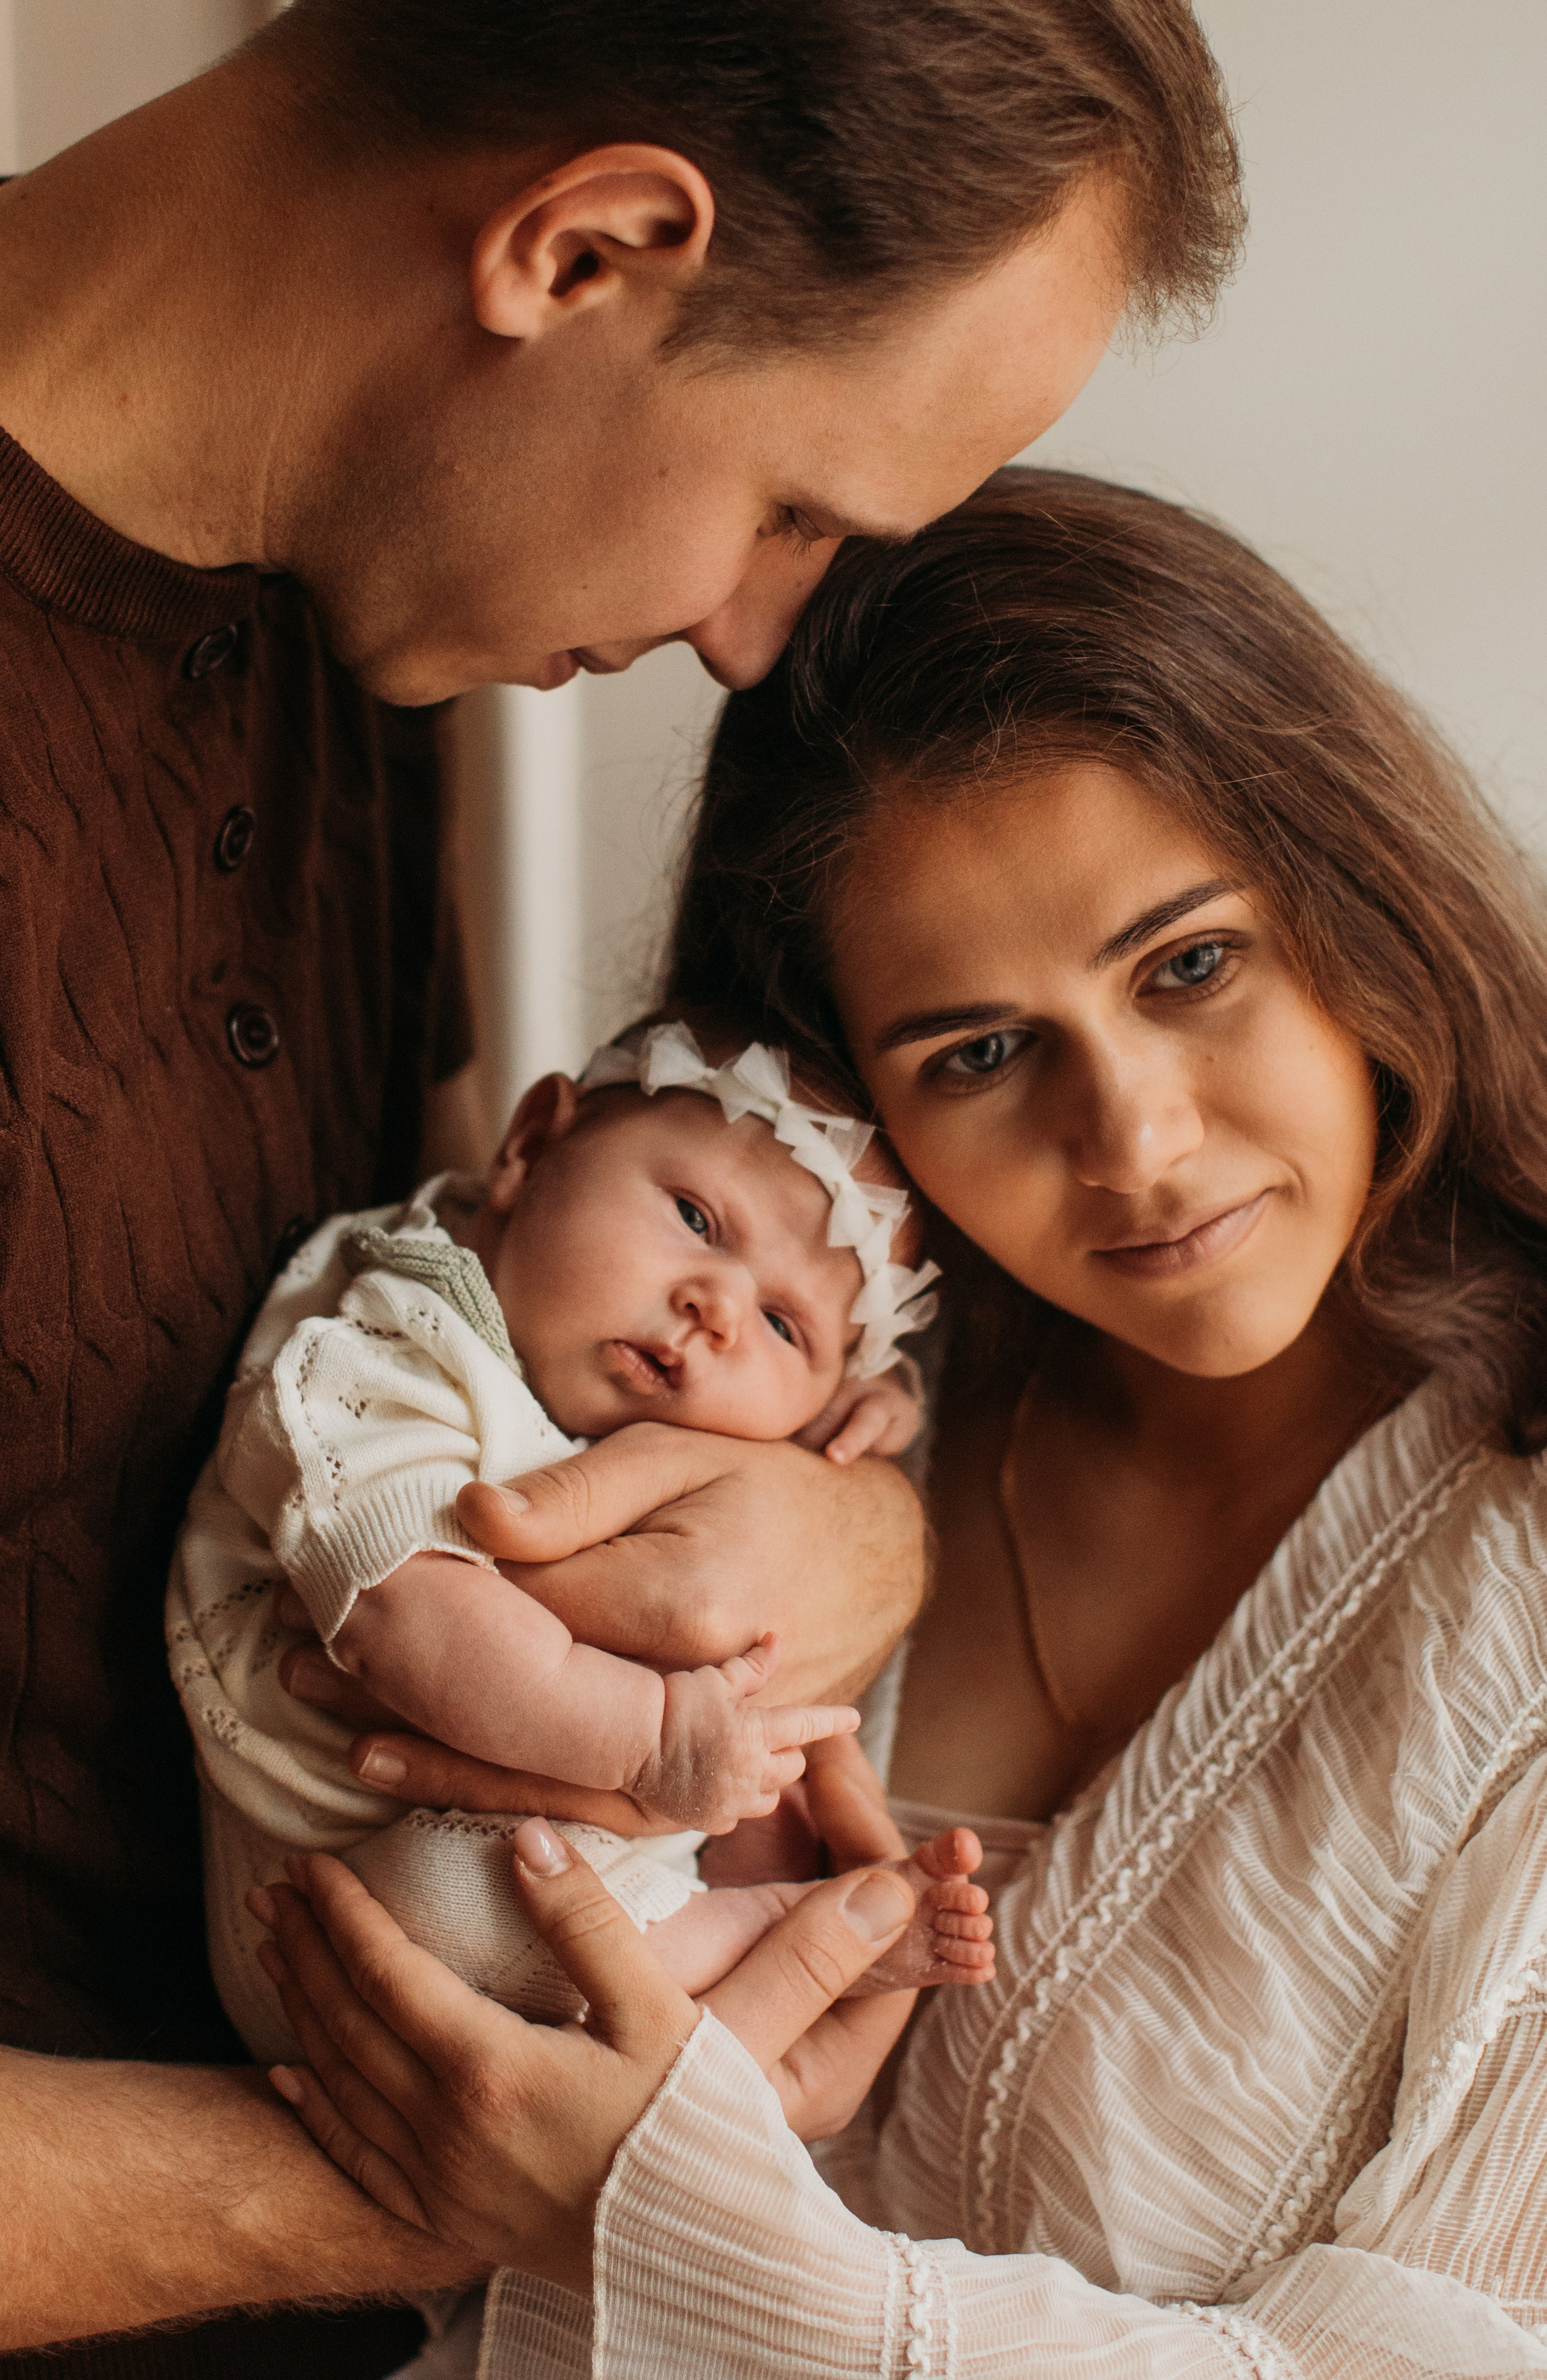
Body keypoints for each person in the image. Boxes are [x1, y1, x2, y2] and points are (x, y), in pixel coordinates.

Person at [0, 0, 1244, 2365]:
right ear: (584, 249)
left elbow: (404, 1281)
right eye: (798, 512)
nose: (755, 639)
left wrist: (846, 1533)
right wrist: (427, 2188)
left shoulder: (353, 615)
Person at [259, 469, 1547, 2374]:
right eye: (981, 1053)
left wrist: (664, 2220)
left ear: (1358, 899)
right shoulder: (747, 1402)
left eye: (1191, 966)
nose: (1134, 1144)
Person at [170, 1014, 987, 2079]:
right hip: (325, 1909)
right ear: (527, 1145)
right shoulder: (384, 1352)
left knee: (767, 1749)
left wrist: (866, 1413)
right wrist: (654, 1747)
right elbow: (403, 1620)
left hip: (568, 1838)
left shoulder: (607, 1376)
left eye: (787, 1329)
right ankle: (783, 1934)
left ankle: (773, 1914)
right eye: (697, 1216)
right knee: (463, 1901)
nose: (720, 1311)